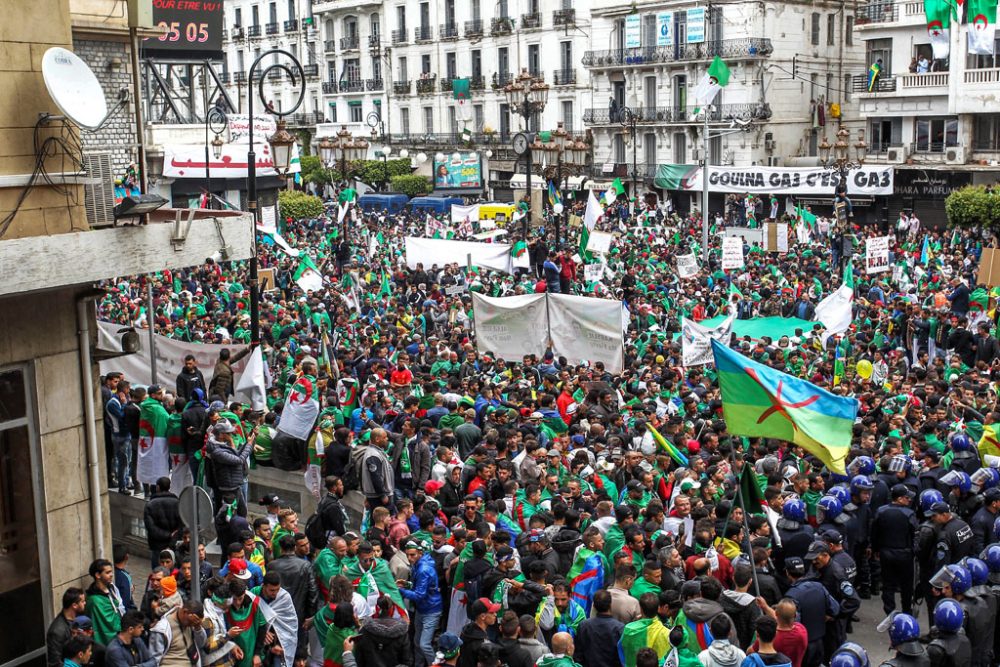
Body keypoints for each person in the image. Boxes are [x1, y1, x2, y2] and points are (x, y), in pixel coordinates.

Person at [398, 539, 443, 667]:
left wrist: (400, 591)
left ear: (420, 553)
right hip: (422, 609)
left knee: (424, 644)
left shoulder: (423, 569)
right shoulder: (419, 564)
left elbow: (419, 595)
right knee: (418, 642)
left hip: (431, 610)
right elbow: (422, 587)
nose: (409, 558)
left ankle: (435, 664)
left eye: (412, 555)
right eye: (407, 555)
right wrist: (407, 584)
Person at [148, 601, 208, 665]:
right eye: (190, 622)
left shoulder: (192, 623)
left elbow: (201, 644)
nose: (191, 625)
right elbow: (154, 660)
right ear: (185, 612)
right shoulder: (162, 629)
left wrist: (198, 627)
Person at [575, 590, 624, 667]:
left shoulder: (583, 626)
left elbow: (578, 654)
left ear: (593, 605)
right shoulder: (619, 628)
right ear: (610, 604)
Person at [86, 559, 126, 646]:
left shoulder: (112, 588)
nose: (111, 575)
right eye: (107, 573)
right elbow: (103, 624)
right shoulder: (94, 600)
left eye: (111, 572)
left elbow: (120, 606)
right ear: (98, 575)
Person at [144, 477, 181, 569]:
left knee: (157, 573)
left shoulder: (150, 505)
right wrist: (172, 536)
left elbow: (150, 527)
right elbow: (182, 525)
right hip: (174, 545)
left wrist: (166, 535)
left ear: (158, 487)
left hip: (157, 545)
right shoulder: (178, 503)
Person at [48, 588, 88, 667]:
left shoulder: (79, 618)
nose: (85, 603)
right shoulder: (57, 631)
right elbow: (55, 663)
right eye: (82, 601)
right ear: (74, 605)